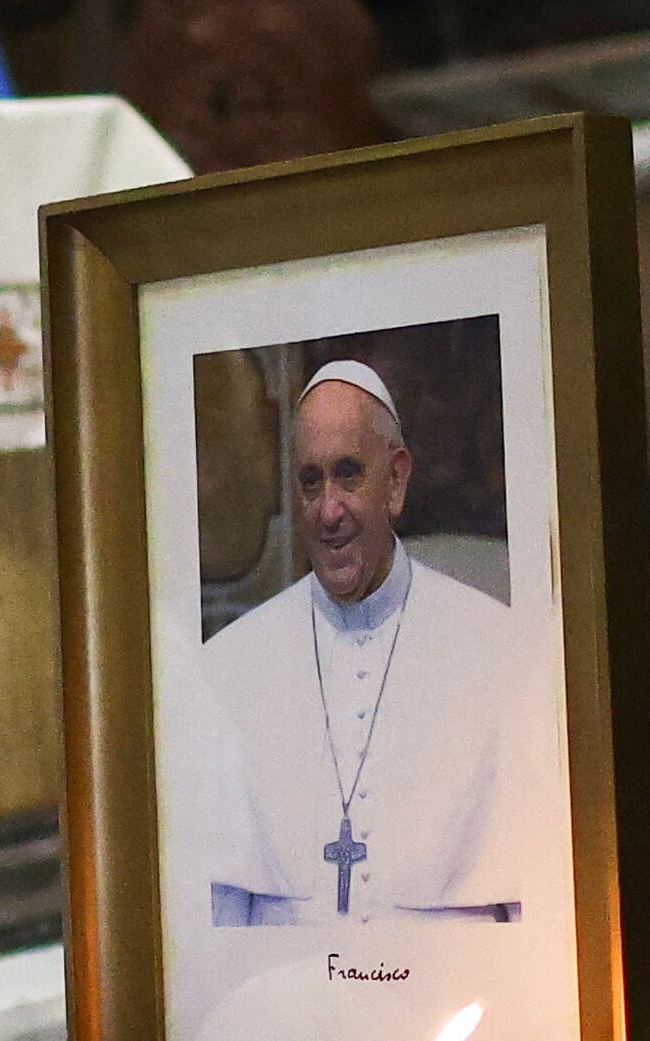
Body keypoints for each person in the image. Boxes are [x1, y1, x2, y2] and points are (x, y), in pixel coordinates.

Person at [185, 360, 540, 930]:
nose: (328, 510)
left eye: (349, 475)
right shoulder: (232, 669)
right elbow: (214, 927)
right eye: (310, 481)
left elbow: (534, 915)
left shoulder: (496, 651)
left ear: (396, 481)